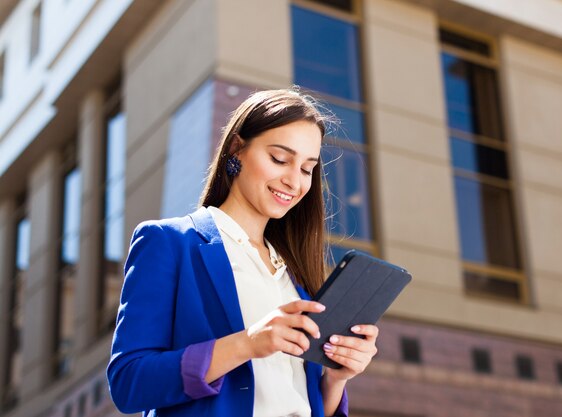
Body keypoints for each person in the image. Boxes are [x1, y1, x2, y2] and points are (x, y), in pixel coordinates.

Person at [107, 88, 379, 417]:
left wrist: (336, 379)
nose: (294, 181)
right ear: (237, 148)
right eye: (280, 159)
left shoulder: (295, 278)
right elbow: (129, 382)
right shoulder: (170, 242)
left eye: (307, 169)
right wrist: (247, 343)